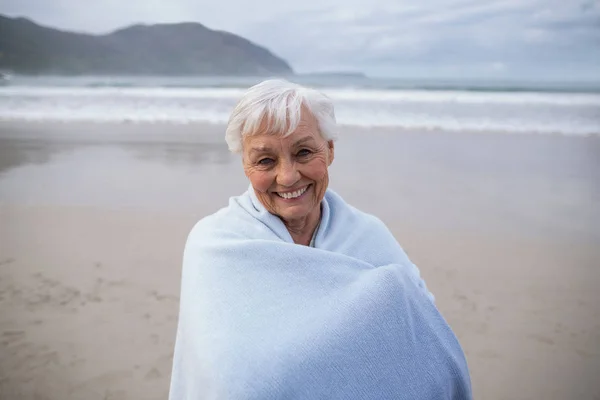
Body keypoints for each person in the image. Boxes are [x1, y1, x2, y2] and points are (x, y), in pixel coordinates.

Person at [169, 79, 472, 399]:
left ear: (329, 150)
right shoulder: (216, 244)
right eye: (265, 161)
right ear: (245, 165)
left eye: (303, 152)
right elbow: (225, 376)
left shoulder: (368, 234)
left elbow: (419, 336)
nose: (287, 177)